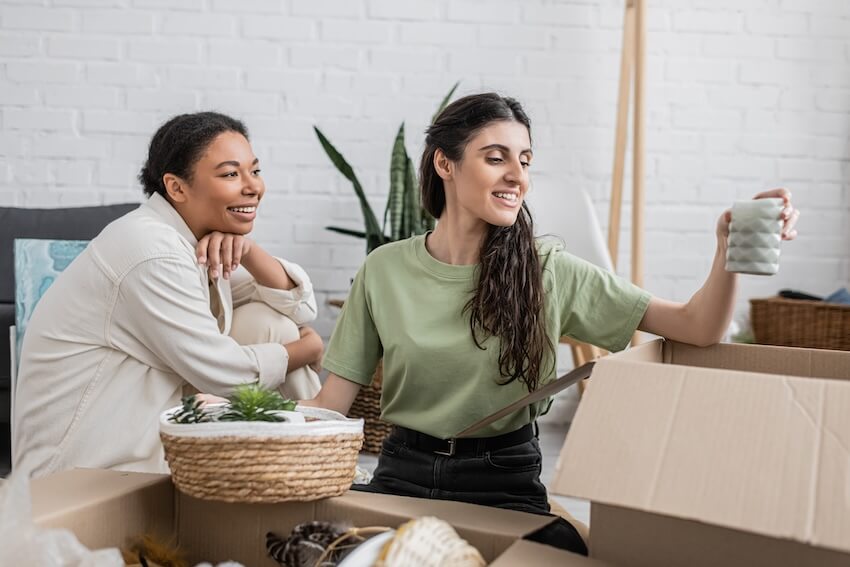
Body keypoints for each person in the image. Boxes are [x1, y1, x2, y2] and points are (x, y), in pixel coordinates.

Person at [301, 93, 799, 554]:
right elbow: (331, 407)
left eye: (525, 160)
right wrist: (238, 413)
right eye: (496, 157)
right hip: (401, 473)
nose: (517, 175)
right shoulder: (383, 269)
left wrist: (729, 247)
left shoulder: (548, 270)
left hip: (502, 480)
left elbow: (697, 326)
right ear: (444, 163)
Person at [14, 112, 324, 478]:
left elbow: (300, 310)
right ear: (177, 188)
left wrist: (248, 249)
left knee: (267, 321)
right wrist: (308, 349)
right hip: (81, 471)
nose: (252, 186)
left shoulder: (194, 239)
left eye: (254, 171)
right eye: (229, 174)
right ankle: (311, 455)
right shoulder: (151, 250)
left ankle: (308, 455)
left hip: (145, 436)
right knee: (279, 338)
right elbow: (225, 373)